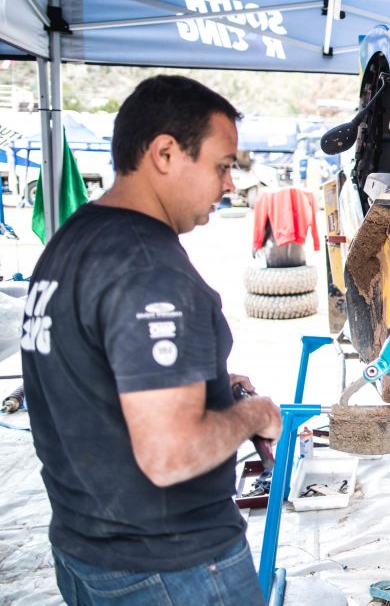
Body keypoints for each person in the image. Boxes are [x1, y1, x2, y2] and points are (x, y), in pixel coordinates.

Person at [21, 75, 282, 604]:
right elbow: (171, 454)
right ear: (164, 152)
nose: (229, 184)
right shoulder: (149, 268)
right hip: (171, 565)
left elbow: (90, 366)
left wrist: (205, 378)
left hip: (85, 550)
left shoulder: (74, 240)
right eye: (222, 165)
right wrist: (257, 415)